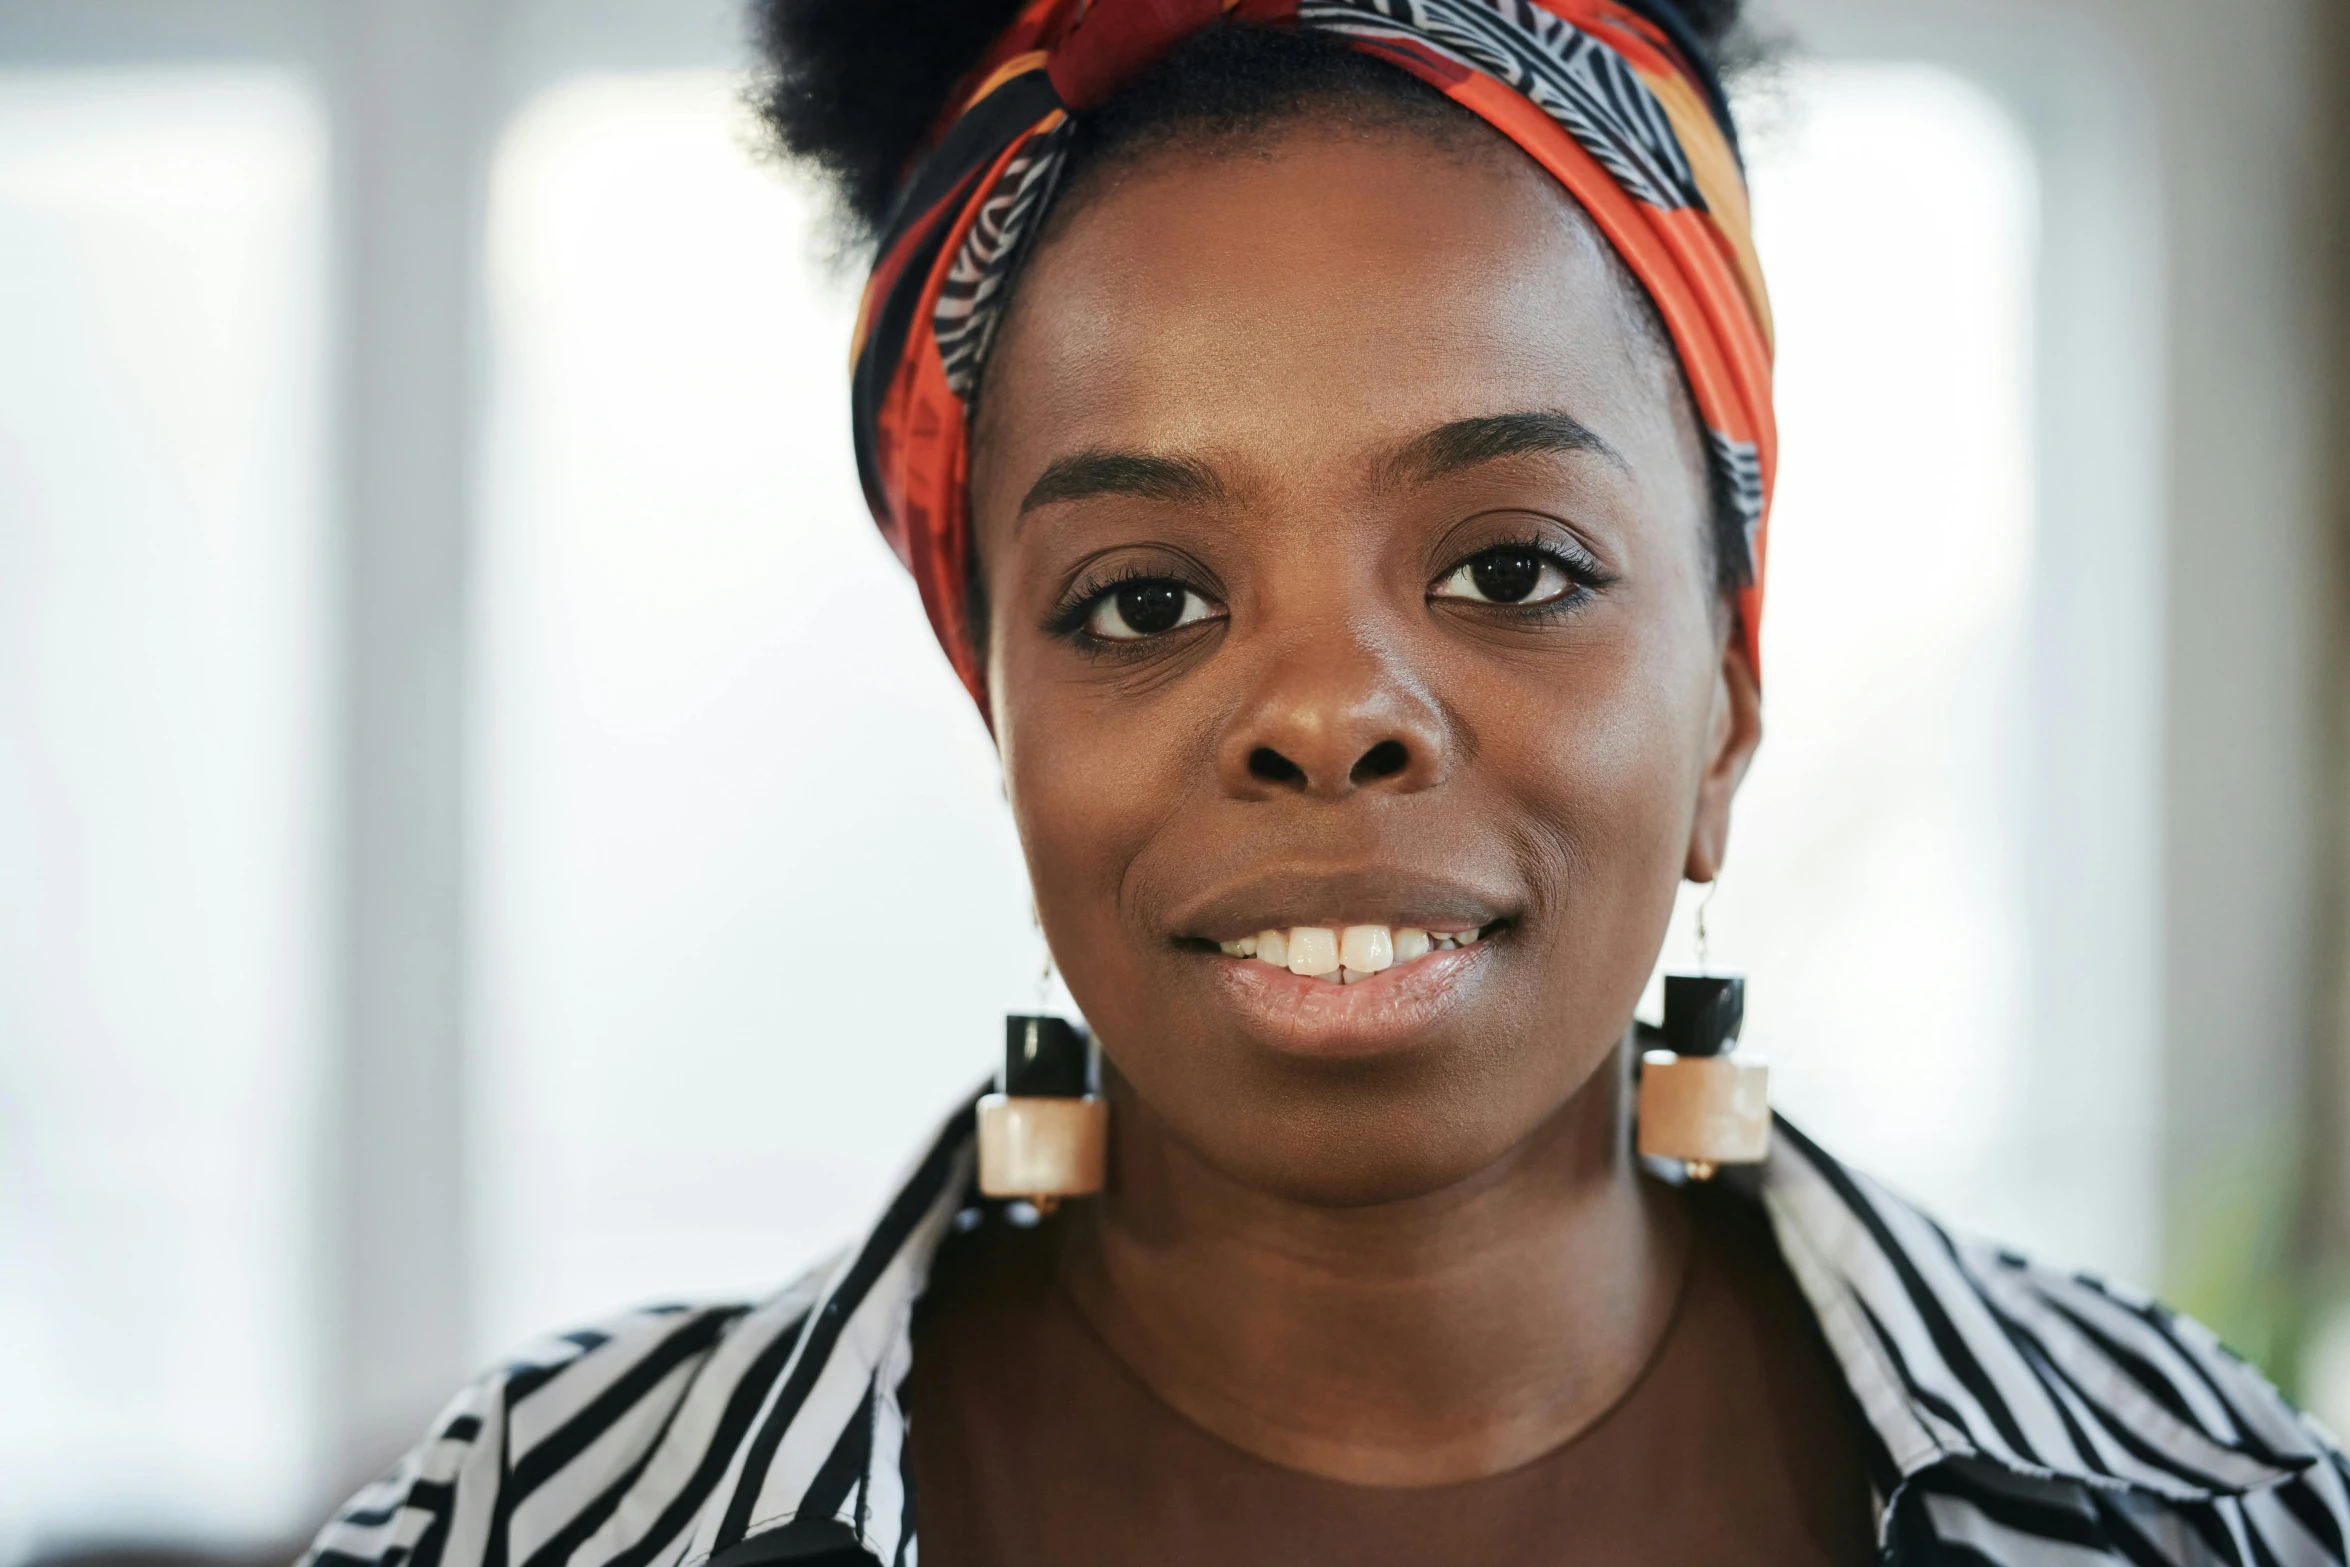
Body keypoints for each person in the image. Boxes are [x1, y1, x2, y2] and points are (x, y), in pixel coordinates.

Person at [300, 1, 2350, 1563]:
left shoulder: (2209, 1513)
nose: (1323, 711)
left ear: (1725, 693)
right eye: (1138, 604)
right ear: (1000, 724)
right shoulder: (522, 1524)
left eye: (1507, 569)